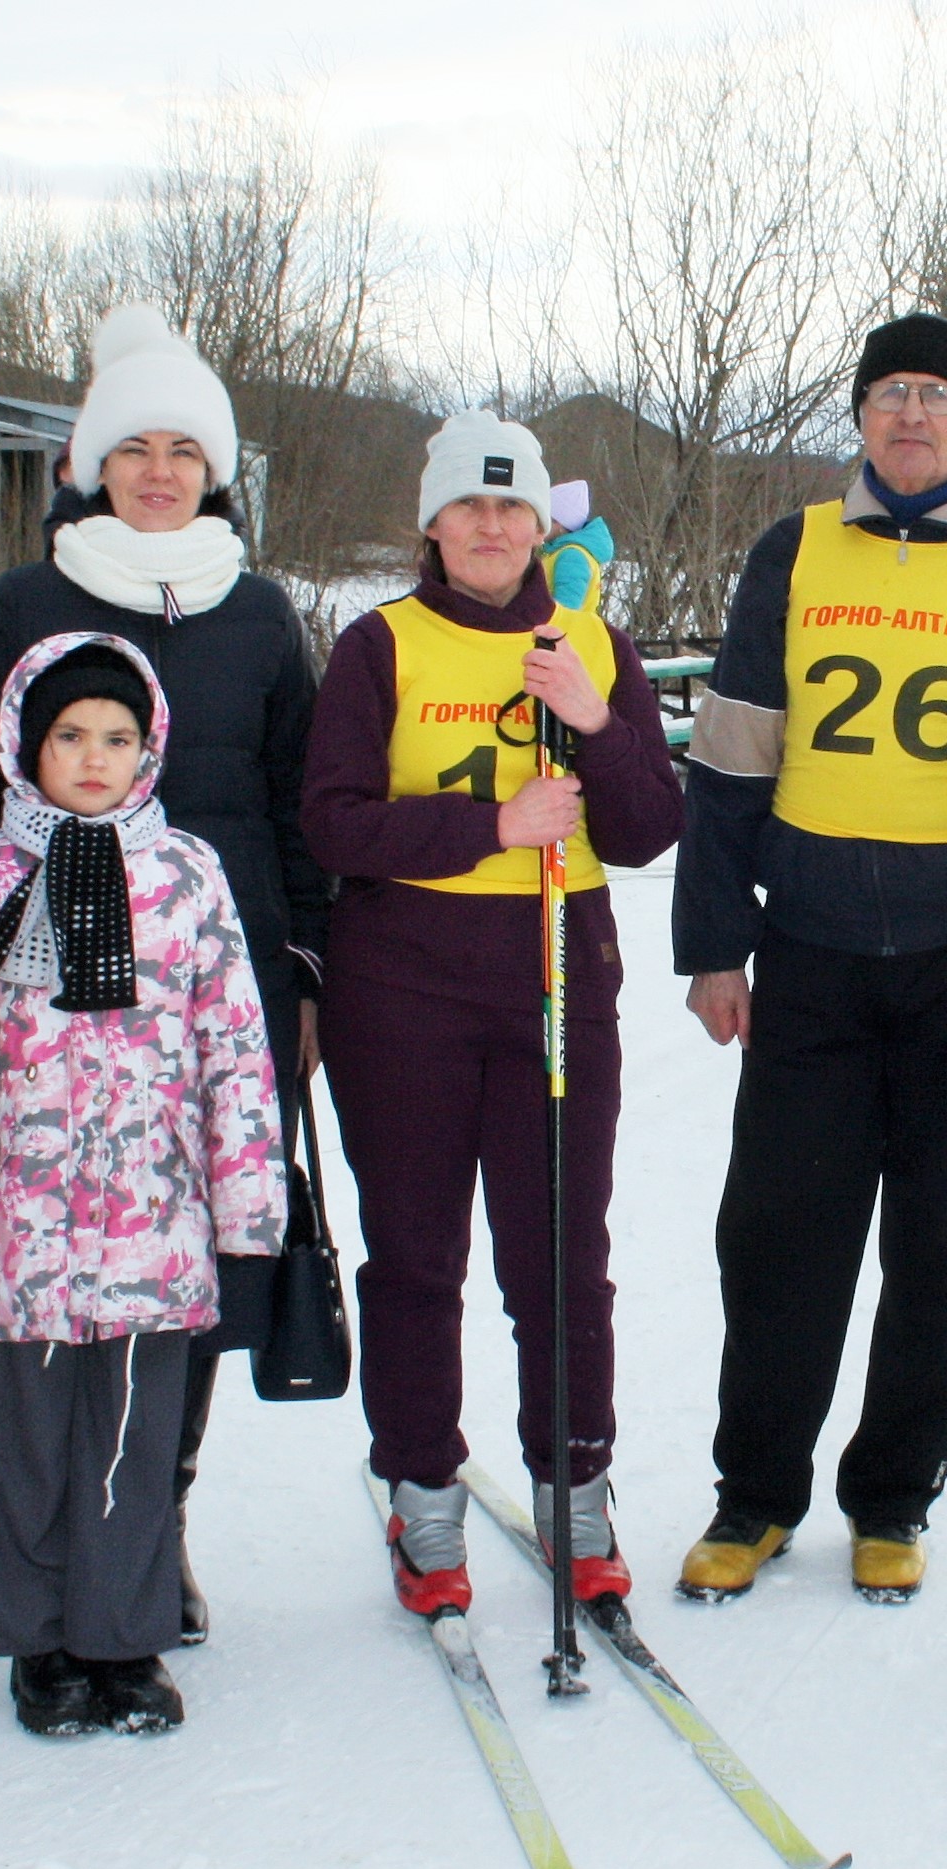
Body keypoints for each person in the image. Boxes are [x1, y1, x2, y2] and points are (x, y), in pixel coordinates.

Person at [673, 313, 947, 1604]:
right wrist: (712, 943)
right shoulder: (793, 548)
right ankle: (752, 1495)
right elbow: (731, 757)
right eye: (886, 395)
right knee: (774, 1236)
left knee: (935, 1246)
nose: (909, 415)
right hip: (808, 953)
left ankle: (892, 1495)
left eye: (934, 396)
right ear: (858, 417)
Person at [0, 304, 329, 1648]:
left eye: (183, 449)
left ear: (214, 470)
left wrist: (304, 969)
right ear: (89, 462)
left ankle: (145, 1532)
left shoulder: (259, 612)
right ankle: (49, 1568)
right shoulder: (29, 603)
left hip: (220, 973)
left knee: (182, 1272)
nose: (158, 470)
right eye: (133, 446)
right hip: (52, 966)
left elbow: (299, 798)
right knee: (55, 1255)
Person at [302, 411, 682, 1613]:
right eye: (470, 506)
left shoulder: (590, 645)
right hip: (402, 988)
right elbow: (334, 821)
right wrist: (490, 827)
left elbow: (645, 828)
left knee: (562, 1255)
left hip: (557, 980)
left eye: (513, 509)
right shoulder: (379, 645)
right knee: (417, 1255)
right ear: (433, 522)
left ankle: (576, 1485)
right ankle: (423, 1494)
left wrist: (596, 715)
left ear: (540, 525)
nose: (491, 528)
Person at [0, 633, 287, 1736]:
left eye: (117, 737)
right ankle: (36, 1641)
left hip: (151, 1227)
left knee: (129, 1439)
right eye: (70, 735)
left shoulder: (187, 875)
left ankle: (123, 1638)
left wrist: (249, 1196)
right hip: (16, 1225)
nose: (93, 756)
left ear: (149, 748)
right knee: (21, 1439)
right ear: (27, 744)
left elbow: (235, 1043)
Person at [538, 479, 616, 614]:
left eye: (545, 519)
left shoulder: (571, 556)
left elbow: (566, 609)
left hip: (567, 633)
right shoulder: (558, 552)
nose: (539, 524)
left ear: (561, 525)